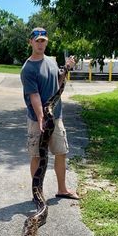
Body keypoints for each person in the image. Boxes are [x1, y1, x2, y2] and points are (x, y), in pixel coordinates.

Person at [20, 27, 79, 200]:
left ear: (46, 42)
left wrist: (66, 68)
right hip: (37, 120)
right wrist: (41, 117)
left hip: (56, 116)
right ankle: (38, 193)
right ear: (31, 42)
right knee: (37, 155)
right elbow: (34, 96)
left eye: (43, 41)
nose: (40, 44)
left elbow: (58, 82)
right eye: (37, 41)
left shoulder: (51, 61)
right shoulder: (28, 69)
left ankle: (62, 189)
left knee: (61, 152)